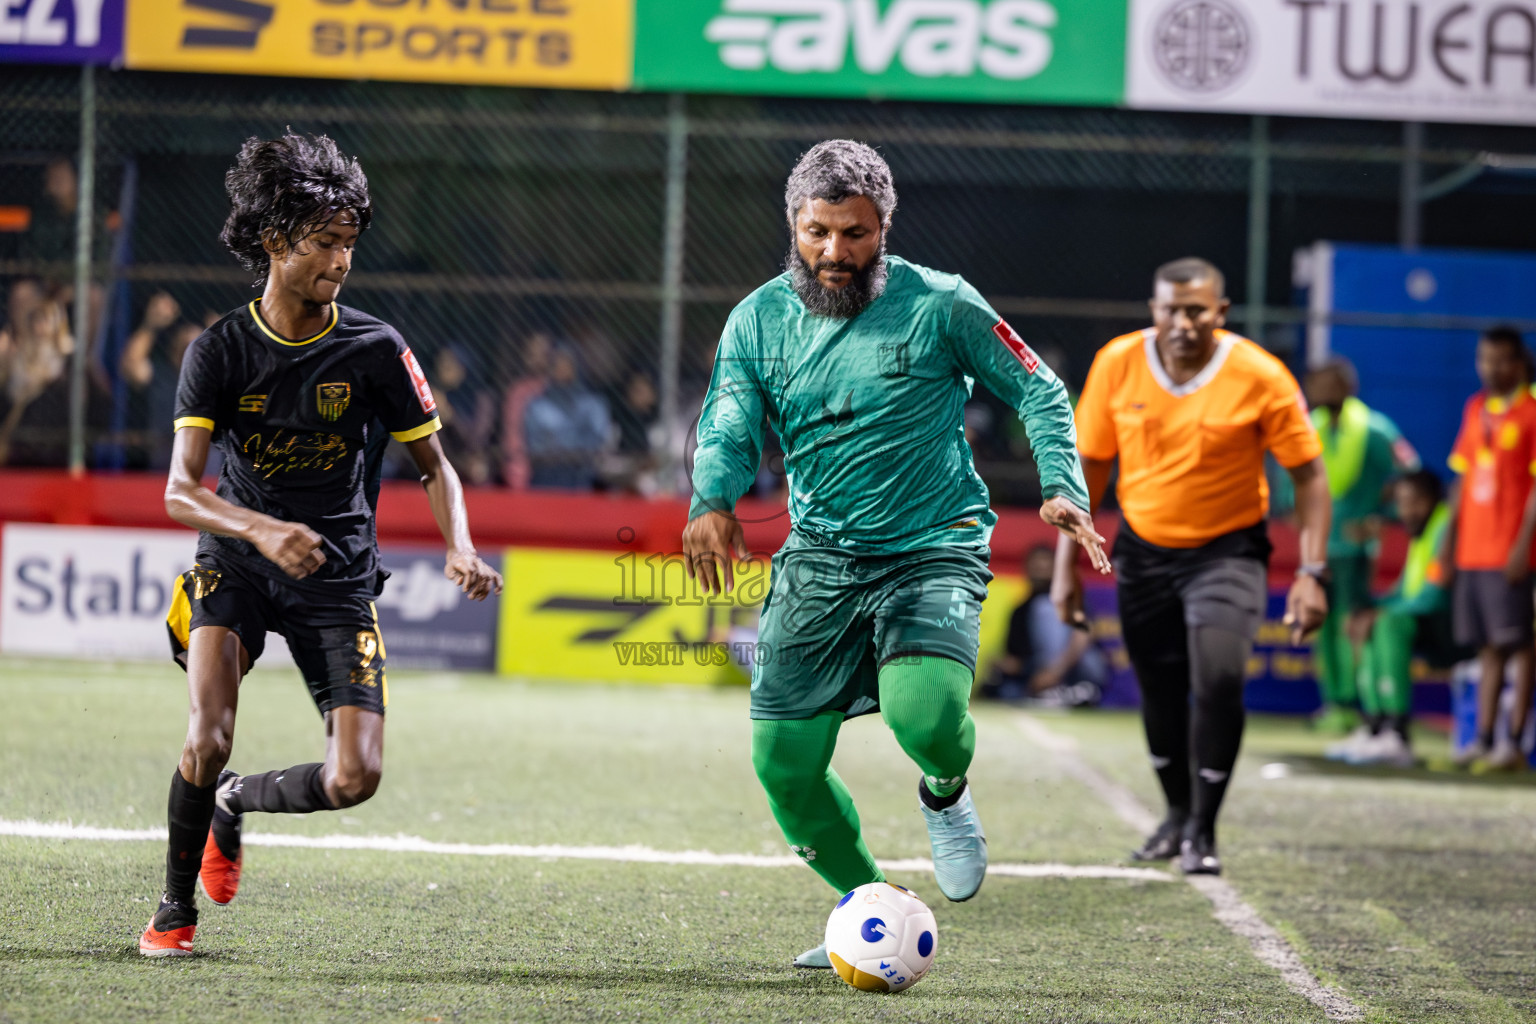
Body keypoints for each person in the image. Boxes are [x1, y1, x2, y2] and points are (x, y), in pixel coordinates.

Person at [682, 140, 1108, 970]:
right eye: (816, 234)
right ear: (793, 227)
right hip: (821, 559)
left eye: (854, 234)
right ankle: (867, 906)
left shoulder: (941, 304)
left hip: (932, 547)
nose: (834, 253)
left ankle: (945, 793)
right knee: (785, 766)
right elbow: (730, 420)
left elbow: (1039, 386)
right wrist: (712, 498)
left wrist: (1065, 486)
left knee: (924, 720)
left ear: (884, 229)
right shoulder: (757, 319)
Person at [138, 133, 504, 957]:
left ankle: (236, 803)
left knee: (354, 779)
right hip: (234, 563)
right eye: (323, 242)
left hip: (336, 578)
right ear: (274, 240)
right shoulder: (220, 350)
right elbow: (179, 491)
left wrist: (461, 546)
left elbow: (435, 466)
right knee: (207, 730)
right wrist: (262, 528)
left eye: (348, 243)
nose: (340, 259)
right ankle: (172, 908)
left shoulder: (377, 349)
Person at [1053, 257, 1329, 876]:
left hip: (1226, 551)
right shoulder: (1118, 363)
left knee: (1221, 678)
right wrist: (1067, 565)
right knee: (1159, 687)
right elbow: (1088, 469)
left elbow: (1309, 475)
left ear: (1220, 312)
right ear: (1154, 310)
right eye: (1170, 309)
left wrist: (1313, 572)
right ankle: (1176, 814)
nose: (1182, 322)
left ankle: (1205, 827)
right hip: (1144, 551)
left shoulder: (1260, 375)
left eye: (1196, 310)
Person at [1303, 358, 1420, 736]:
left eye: (1321, 382)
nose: (1313, 388)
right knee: (1319, 622)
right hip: (1318, 547)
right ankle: (1334, 701)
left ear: (1343, 385)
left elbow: (1411, 476)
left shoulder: (1376, 429)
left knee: (1351, 626)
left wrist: (1381, 516)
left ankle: (1359, 703)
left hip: (1355, 550)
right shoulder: (1310, 428)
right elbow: (1294, 479)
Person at [1443, 326, 1536, 772]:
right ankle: (1482, 739)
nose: (1490, 368)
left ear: (1518, 364)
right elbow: (1462, 480)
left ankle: (1514, 742)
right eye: (1484, 359)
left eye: (1499, 360)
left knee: (1520, 644)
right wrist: (1447, 544)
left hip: (1511, 550)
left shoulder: (1532, 411)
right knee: (1487, 648)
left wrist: (1523, 545)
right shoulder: (1475, 407)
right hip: (1473, 550)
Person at [1336, 470, 1455, 767]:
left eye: (1415, 502)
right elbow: (1405, 589)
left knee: (1387, 623)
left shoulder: (1445, 527)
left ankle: (1397, 732)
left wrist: (1381, 613)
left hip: (1450, 624)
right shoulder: (1422, 532)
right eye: (1402, 503)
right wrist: (1369, 610)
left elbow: (1434, 594)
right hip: (1423, 617)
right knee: (1367, 621)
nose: (1407, 511)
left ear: (1433, 500)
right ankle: (1376, 726)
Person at [982, 545, 1106, 705]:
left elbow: (1083, 634)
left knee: (1045, 607)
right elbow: (1018, 656)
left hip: (1076, 667)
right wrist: (1003, 664)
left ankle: (1061, 690)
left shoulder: (1070, 600)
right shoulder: (1020, 610)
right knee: (1007, 691)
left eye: (1046, 568)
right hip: (1037, 671)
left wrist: (1054, 672)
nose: (1041, 572)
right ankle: (1066, 696)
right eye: (1036, 568)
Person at [523, 344, 611, 489]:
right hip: (545, 476)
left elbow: (597, 442)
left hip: (580, 477)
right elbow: (535, 445)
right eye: (556, 363)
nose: (561, 368)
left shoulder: (594, 404)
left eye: (567, 363)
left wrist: (557, 443)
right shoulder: (536, 406)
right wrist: (574, 441)